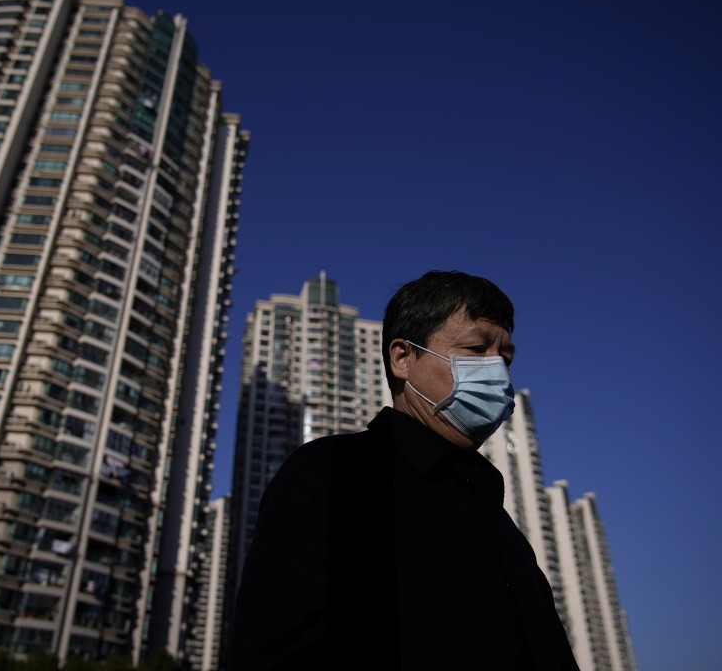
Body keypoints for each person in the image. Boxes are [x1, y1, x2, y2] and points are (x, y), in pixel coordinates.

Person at [230, 271, 579, 670]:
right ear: (402, 358)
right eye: (476, 349)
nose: (497, 370)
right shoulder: (333, 475)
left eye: (506, 358)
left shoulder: (503, 525)